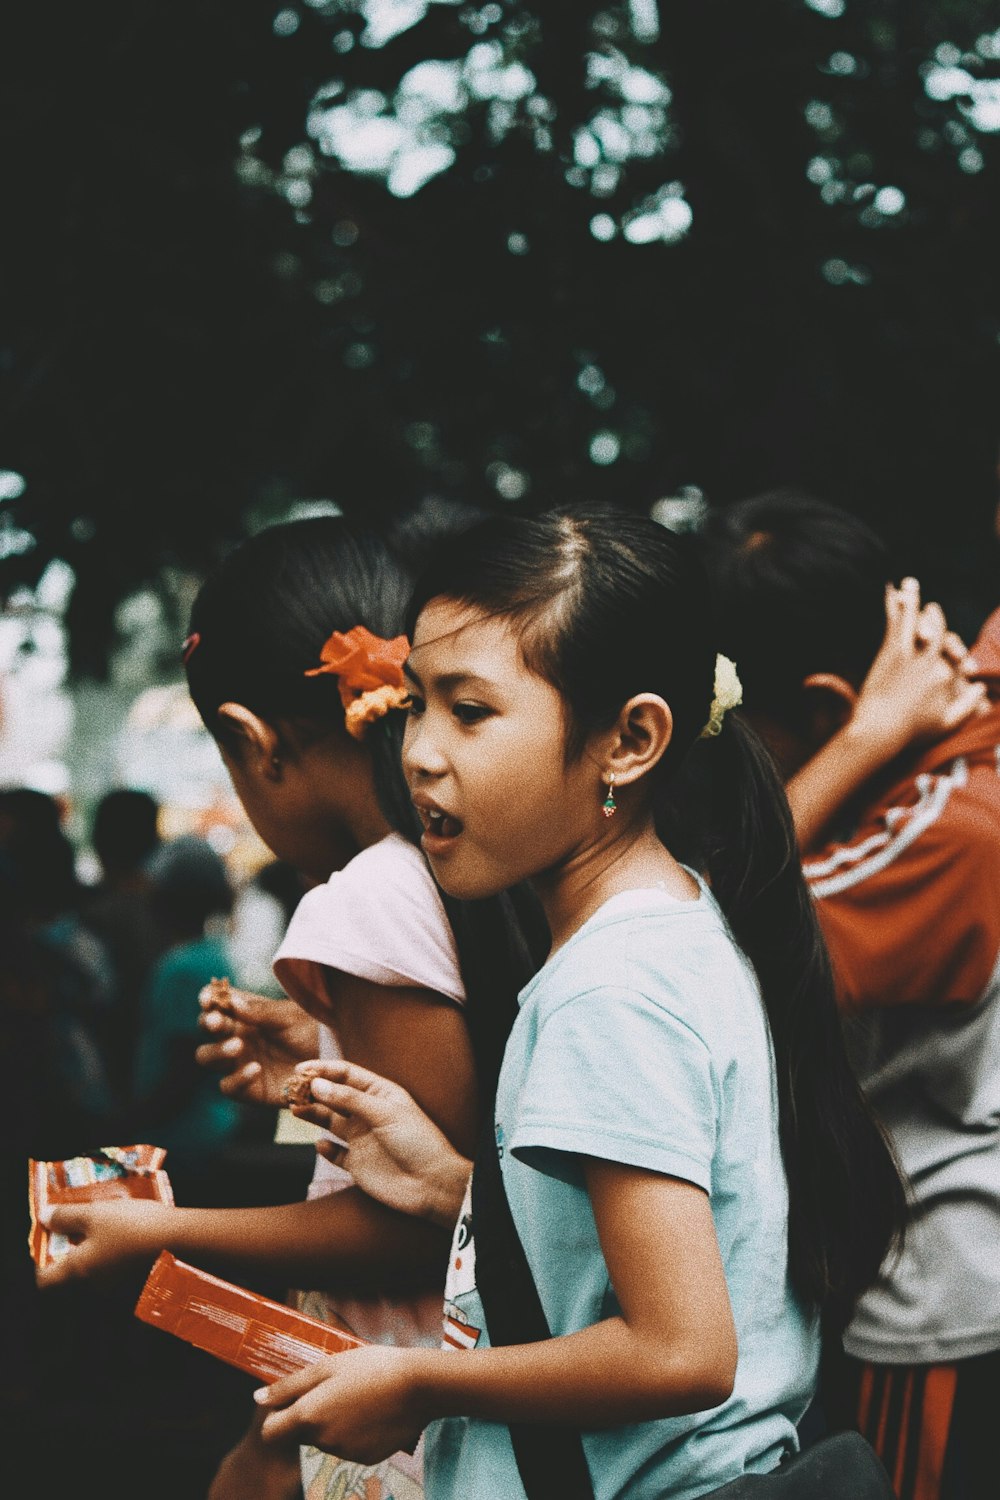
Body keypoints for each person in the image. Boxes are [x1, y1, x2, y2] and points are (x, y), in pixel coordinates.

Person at [252, 505, 905, 1500]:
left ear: (630, 741)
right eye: (416, 701)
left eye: (469, 711)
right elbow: (617, 1261)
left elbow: (680, 1352)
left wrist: (417, 1381)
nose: (420, 750)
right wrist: (458, 1187)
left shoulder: (612, 991)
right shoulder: (665, 928)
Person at [37, 516, 537, 1500]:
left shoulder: (367, 898)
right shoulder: (491, 852)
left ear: (253, 744)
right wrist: (323, 1046)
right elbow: (480, 1116)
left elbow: (424, 1219)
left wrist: (168, 1231)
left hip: (410, 1392)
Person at [696, 491, 1000, 1500]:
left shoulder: (943, 831)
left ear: (826, 703)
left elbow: (700, 943)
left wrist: (861, 740)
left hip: (938, 1312)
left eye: (745, 734)